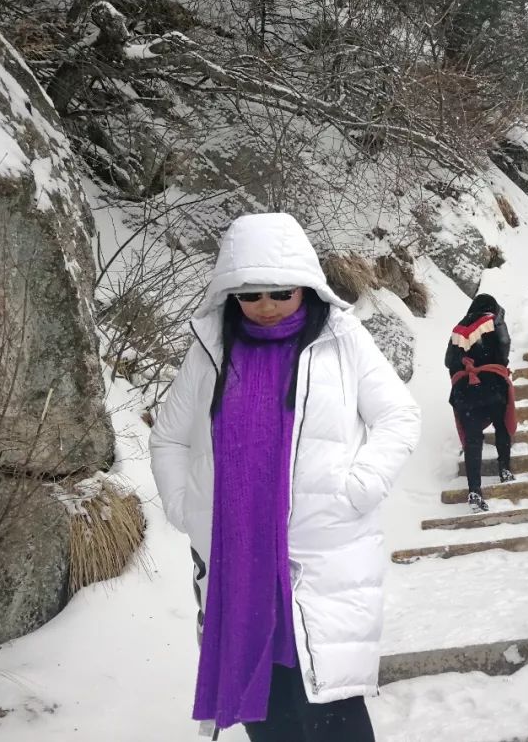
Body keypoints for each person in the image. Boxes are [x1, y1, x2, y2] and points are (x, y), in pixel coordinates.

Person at [149, 212, 420, 742]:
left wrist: (360, 484)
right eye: (251, 296)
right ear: (230, 294)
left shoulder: (342, 338)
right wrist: (187, 509)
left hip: (321, 561)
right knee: (268, 714)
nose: (266, 306)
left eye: (280, 292)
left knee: (333, 712)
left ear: (305, 286)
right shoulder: (210, 350)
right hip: (238, 564)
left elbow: (398, 416)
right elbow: (169, 438)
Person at [446, 294, 517, 512]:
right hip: (492, 385)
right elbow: (504, 343)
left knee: (473, 440)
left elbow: (449, 361)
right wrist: (499, 364)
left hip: (465, 393)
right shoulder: (493, 321)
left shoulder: (458, 329)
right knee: (501, 425)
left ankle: (474, 490)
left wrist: (466, 369)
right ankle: (504, 468)